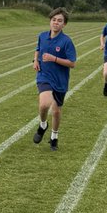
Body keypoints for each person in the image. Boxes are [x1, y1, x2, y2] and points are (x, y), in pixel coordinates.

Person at [32, 8, 77, 150]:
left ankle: (54, 137)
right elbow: (38, 49)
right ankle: (43, 125)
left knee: (56, 111)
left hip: (60, 80)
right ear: (50, 21)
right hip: (44, 76)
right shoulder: (42, 36)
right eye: (54, 20)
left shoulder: (66, 41)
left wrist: (54, 58)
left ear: (64, 24)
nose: (56, 23)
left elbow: (72, 63)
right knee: (44, 104)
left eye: (59, 21)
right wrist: (35, 60)